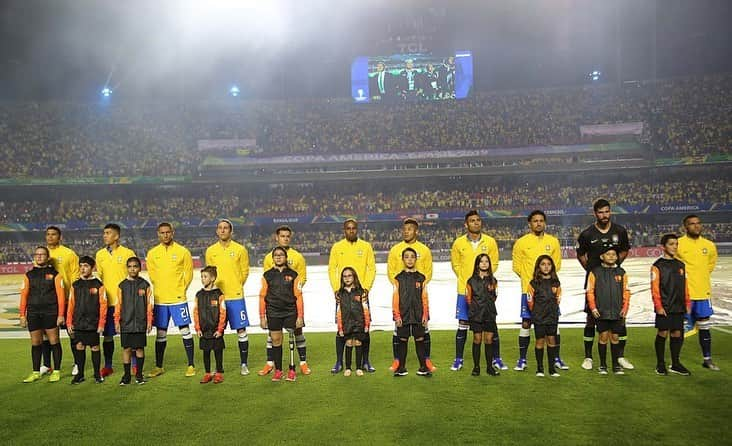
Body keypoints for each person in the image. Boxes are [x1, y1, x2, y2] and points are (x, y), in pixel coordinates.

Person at [576, 199, 633, 371]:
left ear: (610, 212)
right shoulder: (587, 234)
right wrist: (592, 269)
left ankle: (620, 357)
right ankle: (588, 357)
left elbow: (624, 250)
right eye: (600, 212)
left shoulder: (619, 231)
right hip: (595, 280)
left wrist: (616, 264)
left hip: (614, 278)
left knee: (619, 317)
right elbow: (580, 254)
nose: (604, 215)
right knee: (591, 318)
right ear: (595, 214)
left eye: (607, 211)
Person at [512, 210, 566, 371]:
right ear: (530, 224)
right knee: (526, 322)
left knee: (553, 323)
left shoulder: (553, 242)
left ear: (545, 223)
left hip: (550, 291)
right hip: (529, 290)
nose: (538, 223)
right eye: (535, 221)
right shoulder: (521, 242)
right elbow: (517, 267)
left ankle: (556, 358)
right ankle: (522, 359)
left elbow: (556, 265)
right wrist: (533, 283)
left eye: (541, 220)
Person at [450, 210, 502, 371]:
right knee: (463, 323)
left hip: (485, 290)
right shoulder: (458, 243)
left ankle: (496, 359)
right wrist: (469, 281)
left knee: (490, 324)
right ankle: (459, 359)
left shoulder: (490, 242)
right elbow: (456, 266)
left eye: (478, 220)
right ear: (466, 224)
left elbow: (495, 263)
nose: (476, 223)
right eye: (472, 220)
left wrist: (484, 282)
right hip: (465, 290)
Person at [258, 225, 310, 377]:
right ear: (277, 237)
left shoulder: (298, 257)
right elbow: (268, 280)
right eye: (282, 236)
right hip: (274, 306)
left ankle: (302, 363)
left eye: (288, 236)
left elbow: (302, 278)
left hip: (291, 303)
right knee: (273, 335)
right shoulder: (269, 257)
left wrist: (290, 291)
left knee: (298, 331)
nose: (285, 238)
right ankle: (271, 364)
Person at [146, 222, 195, 378]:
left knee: (185, 331)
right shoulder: (152, 253)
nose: (165, 235)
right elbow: (152, 276)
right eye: (162, 232)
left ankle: (191, 365)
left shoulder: (183, 252)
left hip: (178, 298)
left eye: (168, 232)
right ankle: (159, 366)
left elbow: (188, 274)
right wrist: (161, 289)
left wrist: (181, 289)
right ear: (158, 234)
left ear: (172, 233)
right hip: (160, 299)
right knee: (160, 333)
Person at [386, 218, 434, 372]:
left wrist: (420, 285)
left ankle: (426, 361)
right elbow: (391, 271)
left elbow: (428, 271)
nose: (406, 231)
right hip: (402, 296)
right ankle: (398, 362)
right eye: (404, 229)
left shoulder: (424, 250)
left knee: (423, 332)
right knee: (400, 333)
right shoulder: (395, 249)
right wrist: (399, 287)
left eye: (409, 229)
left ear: (416, 231)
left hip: (419, 295)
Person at [328, 219, 376, 373]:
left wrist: (366, 289)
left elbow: (371, 269)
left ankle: (365, 362)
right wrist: (337, 290)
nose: (351, 230)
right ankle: (339, 362)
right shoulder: (337, 247)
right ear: (344, 230)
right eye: (348, 228)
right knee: (341, 328)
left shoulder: (366, 246)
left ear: (357, 229)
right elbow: (331, 269)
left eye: (353, 228)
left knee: (364, 329)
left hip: (361, 294)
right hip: (342, 294)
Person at [205, 219, 251, 376]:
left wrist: (236, 285)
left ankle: (244, 364)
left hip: (236, 297)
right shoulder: (211, 251)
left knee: (241, 330)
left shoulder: (240, 250)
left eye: (226, 228)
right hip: (217, 297)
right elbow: (209, 274)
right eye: (220, 228)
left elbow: (245, 272)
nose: (223, 230)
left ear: (231, 231)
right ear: (217, 231)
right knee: (217, 331)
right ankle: (219, 366)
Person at [676, 215, 719, 370]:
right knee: (678, 328)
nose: (696, 226)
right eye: (692, 224)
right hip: (684, 293)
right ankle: (676, 361)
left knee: (704, 326)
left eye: (698, 223)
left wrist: (699, 277)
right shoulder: (678, 244)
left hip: (702, 292)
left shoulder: (709, 245)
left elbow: (710, 265)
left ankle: (707, 359)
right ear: (685, 227)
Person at [95, 223, 136, 377]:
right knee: (107, 335)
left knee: (129, 334)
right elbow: (100, 277)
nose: (105, 235)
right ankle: (108, 365)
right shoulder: (100, 255)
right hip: (107, 302)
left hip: (125, 302)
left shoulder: (127, 253)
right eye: (104, 233)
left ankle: (134, 365)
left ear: (116, 236)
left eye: (108, 233)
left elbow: (133, 275)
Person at [19, 246, 65, 383]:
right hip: (33, 312)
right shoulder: (29, 275)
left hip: (50, 312)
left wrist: (60, 314)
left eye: (42, 254)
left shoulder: (55, 274)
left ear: (48, 257)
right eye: (37, 254)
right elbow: (24, 295)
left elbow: (61, 296)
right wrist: (22, 314)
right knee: (35, 342)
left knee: (54, 341)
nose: (39, 257)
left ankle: (56, 371)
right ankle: (36, 372)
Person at [651, 234, 691, 376]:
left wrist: (687, 302)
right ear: (663, 247)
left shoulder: (681, 265)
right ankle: (660, 364)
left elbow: (685, 285)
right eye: (671, 244)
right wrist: (658, 306)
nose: (674, 247)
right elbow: (655, 288)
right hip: (665, 306)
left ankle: (675, 363)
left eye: (676, 244)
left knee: (677, 333)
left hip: (678, 305)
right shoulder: (657, 266)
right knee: (663, 332)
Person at [586, 247, 631, 375]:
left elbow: (626, 291)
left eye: (613, 254)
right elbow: (590, 291)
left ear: (617, 257)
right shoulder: (595, 272)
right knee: (603, 337)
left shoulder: (621, 272)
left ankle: (616, 365)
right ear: (602, 257)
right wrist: (593, 307)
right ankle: (603, 365)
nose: (611, 256)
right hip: (602, 311)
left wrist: (625, 307)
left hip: (617, 312)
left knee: (615, 338)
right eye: (608, 254)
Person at [44, 225, 80, 376]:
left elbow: (75, 277)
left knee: (72, 332)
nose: (50, 237)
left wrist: (73, 297)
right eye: (48, 234)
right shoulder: (42, 253)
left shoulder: (69, 254)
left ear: (60, 237)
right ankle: (46, 365)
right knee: (47, 334)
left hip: (65, 301)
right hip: (47, 302)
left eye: (54, 234)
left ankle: (78, 362)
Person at [66, 256, 107, 384]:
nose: (83, 269)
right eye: (81, 266)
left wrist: (101, 323)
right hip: (78, 322)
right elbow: (71, 305)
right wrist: (69, 322)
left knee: (95, 347)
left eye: (86, 266)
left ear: (92, 267)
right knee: (79, 346)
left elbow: (103, 305)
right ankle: (80, 375)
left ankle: (96, 374)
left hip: (93, 323)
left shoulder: (98, 285)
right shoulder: (75, 285)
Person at [392, 248, 431, 377]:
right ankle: (401, 368)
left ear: (416, 259)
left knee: (419, 340)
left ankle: (423, 367)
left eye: (412, 257)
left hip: (418, 315)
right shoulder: (398, 278)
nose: (409, 259)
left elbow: (424, 298)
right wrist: (396, 315)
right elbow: (395, 298)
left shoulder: (421, 278)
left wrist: (425, 315)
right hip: (403, 315)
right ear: (403, 259)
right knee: (402, 340)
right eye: (407, 257)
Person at [114, 257, 153, 385]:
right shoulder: (122, 286)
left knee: (140, 349)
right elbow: (118, 305)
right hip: (126, 323)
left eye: (135, 266)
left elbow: (149, 305)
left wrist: (149, 321)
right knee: (126, 349)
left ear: (139, 268)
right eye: (130, 266)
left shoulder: (145, 285)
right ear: (127, 268)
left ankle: (139, 375)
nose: (132, 269)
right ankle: (126, 376)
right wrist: (117, 321)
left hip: (140, 323)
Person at [465, 253, 500, 377]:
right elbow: (468, 299)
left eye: (486, 261)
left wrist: (488, 307)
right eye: (481, 261)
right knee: (477, 339)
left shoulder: (493, 280)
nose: (484, 263)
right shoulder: (471, 281)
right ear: (477, 264)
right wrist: (476, 308)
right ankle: (476, 367)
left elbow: (495, 296)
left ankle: (490, 367)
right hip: (476, 315)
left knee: (489, 340)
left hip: (490, 314)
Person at [527, 255, 562, 377]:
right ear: (538, 266)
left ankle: (552, 369)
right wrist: (536, 313)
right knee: (540, 341)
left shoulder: (556, 283)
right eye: (543, 264)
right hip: (539, 317)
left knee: (552, 340)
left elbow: (558, 299)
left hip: (552, 316)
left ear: (552, 266)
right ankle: (540, 369)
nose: (546, 266)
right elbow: (530, 301)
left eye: (548, 264)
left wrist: (552, 311)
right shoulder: (533, 283)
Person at [194, 266, 227, 384]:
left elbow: (223, 312)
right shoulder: (199, 295)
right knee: (206, 352)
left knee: (218, 351)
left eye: (205, 276)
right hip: (204, 330)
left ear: (212, 278)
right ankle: (207, 373)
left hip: (216, 330)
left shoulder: (219, 294)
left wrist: (220, 329)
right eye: (201, 277)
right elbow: (196, 311)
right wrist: (197, 328)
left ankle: (219, 373)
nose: (203, 279)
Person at [336, 267, 371, 377]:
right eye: (344, 276)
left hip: (359, 323)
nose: (347, 278)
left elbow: (366, 310)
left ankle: (359, 368)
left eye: (349, 275)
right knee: (349, 343)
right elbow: (339, 312)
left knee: (358, 342)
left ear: (354, 277)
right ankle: (348, 368)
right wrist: (340, 328)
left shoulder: (362, 292)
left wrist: (366, 325)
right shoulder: (339, 294)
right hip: (347, 323)